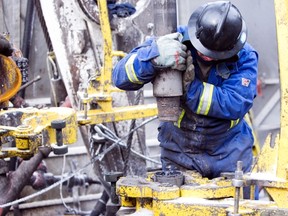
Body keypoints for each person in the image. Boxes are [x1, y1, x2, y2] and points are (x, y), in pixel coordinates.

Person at [112, 1, 258, 179]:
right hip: (179, 152)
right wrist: (152, 58)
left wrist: (189, 88)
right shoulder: (171, 40)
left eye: (214, 54)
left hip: (230, 154)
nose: (206, 55)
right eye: (203, 49)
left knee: (240, 206)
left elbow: (235, 104)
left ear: (231, 48)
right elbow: (120, 77)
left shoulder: (245, 56)